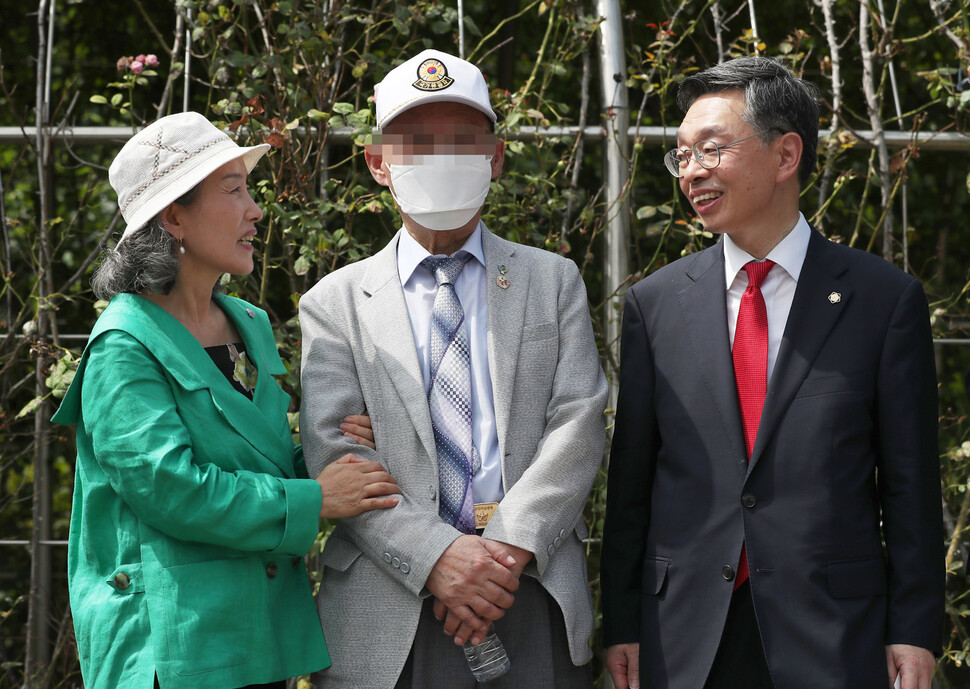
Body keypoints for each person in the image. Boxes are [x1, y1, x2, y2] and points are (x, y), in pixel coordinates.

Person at [601, 57, 943, 689]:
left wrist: (915, 628)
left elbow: (911, 485)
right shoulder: (656, 304)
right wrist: (622, 622)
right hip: (684, 636)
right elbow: (632, 487)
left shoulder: (882, 301)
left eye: (711, 149)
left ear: (786, 155)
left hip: (835, 632)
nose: (692, 172)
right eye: (682, 156)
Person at [51, 111, 400, 689]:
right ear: (174, 216)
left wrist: (329, 452)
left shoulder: (249, 323)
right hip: (173, 648)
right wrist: (316, 498)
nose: (255, 209)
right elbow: (171, 489)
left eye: (250, 189)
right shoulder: (124, 344)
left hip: (262, 637)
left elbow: (256, 457)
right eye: (233, 189)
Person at [298, 49, 608, 689]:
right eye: (416, 142)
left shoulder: (552, 281)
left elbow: (577, 424)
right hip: (389, 608)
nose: (440, 158)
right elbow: (334, 454)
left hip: (529, 588)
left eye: (462, 141)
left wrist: (504, 552)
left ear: (495, 156)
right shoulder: (335, 302)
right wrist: (438, 557)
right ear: (378, 164)